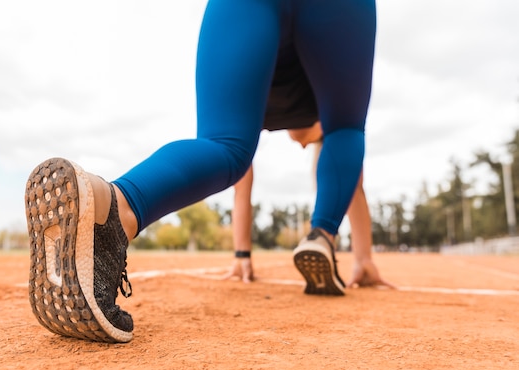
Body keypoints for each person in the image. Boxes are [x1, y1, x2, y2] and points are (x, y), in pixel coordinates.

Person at [25, 0, 377, 343]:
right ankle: (322, 237)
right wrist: (347, 246)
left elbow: (241, 184)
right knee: (345, 130)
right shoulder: (324, 128)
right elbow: (351, 178)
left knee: (224, 145)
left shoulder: (259, 115)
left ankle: (114, 203)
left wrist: (243, 254)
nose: (301, 144)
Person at [226, 125, 394, 289]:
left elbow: (353, 183)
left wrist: (364, 260)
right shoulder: (254, 112)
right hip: (270, 118)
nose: (302, 146)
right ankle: (322, 239)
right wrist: (242, 255)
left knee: (343, 148)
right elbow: (241, 184)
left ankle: (324, 240)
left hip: (324, 123)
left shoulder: (334, 119)